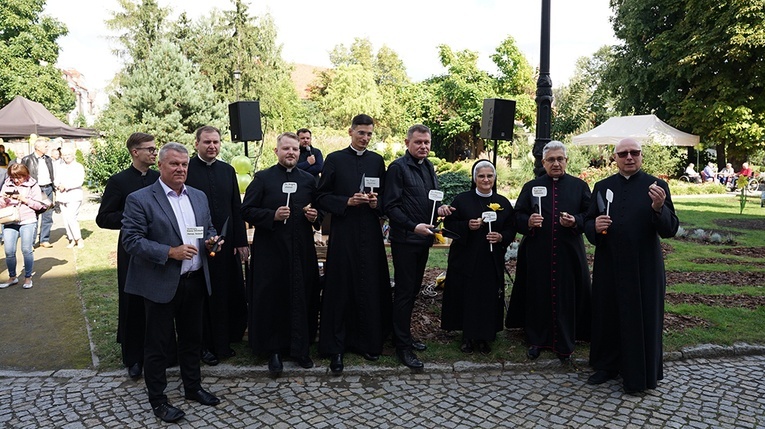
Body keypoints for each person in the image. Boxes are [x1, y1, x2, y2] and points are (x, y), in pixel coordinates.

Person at [122, 142, 221, 423]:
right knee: (158, 345)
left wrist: (212, 241)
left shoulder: (198, 197)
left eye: (184, 164)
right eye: (174, 164)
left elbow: (205, 229)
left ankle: (192, 388)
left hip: (194, 280)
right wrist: (169, 252)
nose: (181, 169)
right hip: (160, 283)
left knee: (192, 340)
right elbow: (131, 241)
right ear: (160, 166)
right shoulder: (140, 199)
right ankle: (159, 400)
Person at [584, 138, 679, 394]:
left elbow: (670, 229)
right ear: (614, 158)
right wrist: (594, 227)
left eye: (634, 153)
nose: (629, 157)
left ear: (641, 156)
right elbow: (589, 219)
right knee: (607, 313)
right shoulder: (602, 186)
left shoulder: (657, 187)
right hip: (609, 263)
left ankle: (639, 373)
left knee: (642, 316)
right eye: (623, 153)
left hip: (644, 265)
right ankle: (606, 365)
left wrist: (659, 208)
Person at [241, 132, 321, 376]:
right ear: (276, 152)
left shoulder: (308, 180)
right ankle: (274, 350)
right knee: (273, 298)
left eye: (295, 149)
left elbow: (319, 211)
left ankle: (300, 347)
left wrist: (315, 217)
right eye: (286, 149)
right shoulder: (263, 178)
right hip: (271, 251)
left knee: (302, 294)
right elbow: (247, 210)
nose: (291, 153)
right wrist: (272, 216)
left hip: (301, 250)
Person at [315, 114, 390, 374]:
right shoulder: (335, 159)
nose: (365, 138)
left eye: (369, 134)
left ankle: (367, 342)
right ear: (350, 132)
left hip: (369, 233)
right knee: (341, 286)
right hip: (344, 233)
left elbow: (385, 200)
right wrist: (346, 201)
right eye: (361, 133)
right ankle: (336, 347)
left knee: (369, 284)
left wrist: (375, 204)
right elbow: (321, 196)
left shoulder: (377, 161)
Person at [506, 141, 592, 363]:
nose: (556, 163)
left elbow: (589, 215)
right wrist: (528, 221)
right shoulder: (531, 186)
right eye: (551, 160)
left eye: (560, 159)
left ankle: (566, 341)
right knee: (537, 293)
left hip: (568, 252)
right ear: (543, 162)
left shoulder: (579, 186)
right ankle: (537, 340)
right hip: (537, 251)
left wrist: (575, 221)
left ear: (566, 161)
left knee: (566, 295)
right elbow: (517, 216)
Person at [384, 123, 454, 369]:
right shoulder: (397, 168)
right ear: (407, 143)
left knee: (413, 289)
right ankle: (401, 346)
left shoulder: (429, 167)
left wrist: (440, 210)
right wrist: (413, 226)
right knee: (404, 292)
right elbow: (389, 207)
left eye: (427, 142)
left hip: (423, 238)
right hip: (405, 240)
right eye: (418, 142)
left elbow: (430, 200)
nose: (423, 146)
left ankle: (402, 336)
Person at [96, 132, 160, 379]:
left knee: (159, 300)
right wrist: (131, 217)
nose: (154, 153)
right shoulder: (119, 181)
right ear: (135, 152)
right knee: (132, 300)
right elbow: (103, 218)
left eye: (155, 149)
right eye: (150, 149)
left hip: (159, 246)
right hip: (131, 251)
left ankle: (161, 351)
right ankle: (134, 357)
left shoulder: (158, 178)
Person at [185, 126, 248, 366]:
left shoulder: (228, 170)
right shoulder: (187, 170)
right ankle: (204, 345)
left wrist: (240, 241)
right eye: (207, 142)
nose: (212, 146)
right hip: (196, 244)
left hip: (226, 243)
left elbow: (235, 207)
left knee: (225, 292)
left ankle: (225, 340)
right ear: (197, 144)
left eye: (216, 142)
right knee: (202, 297)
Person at [440, 160, 515, 354]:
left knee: (488, 297)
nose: (485, 179)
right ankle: (467, 336)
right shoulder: (462, 200)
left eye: (489, 176)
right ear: (474, 179)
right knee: (467, 296)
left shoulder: (503, 202)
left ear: (494, 178)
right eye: (481, 176)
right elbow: (448, 226)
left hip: (490, 260)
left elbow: (511, 228)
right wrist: (467, 226)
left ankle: (485, 337)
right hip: (466, 258)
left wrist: (501, 237)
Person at [0, 164, 45, 289]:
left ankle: (28, 278)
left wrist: (24, 199)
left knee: (26, 250)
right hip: (9, 220)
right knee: (9, 250)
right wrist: (4, 199)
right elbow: (0, 204)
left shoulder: (33, 185)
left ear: (25, 175)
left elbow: (39, 205)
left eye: (19, 177)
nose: (16, 180)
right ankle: (12, 277)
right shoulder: (7, 184)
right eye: (13, 177)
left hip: (28, 220)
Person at [21, 139, 55, 248]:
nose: (47, 148)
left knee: (47, 216)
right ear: (38, 148)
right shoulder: (27, 159)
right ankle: (30, 243)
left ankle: (44, 239)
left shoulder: (48, 159)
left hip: (48, 188)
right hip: (36, 190)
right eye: (45, 146)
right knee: (34, 216)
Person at [54, 147, 85, 248]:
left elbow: (79, 181)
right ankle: (71, 238)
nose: (67, 157)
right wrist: (58, 185)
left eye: (68, 155)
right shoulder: (60, 167)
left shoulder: (78, 166)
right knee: (66, 218)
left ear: (73, 156)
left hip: (74, 194)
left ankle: (78, 238)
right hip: (62, 195)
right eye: (65, 155)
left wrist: (66, 186)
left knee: (72, 217)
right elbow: (55, 179)